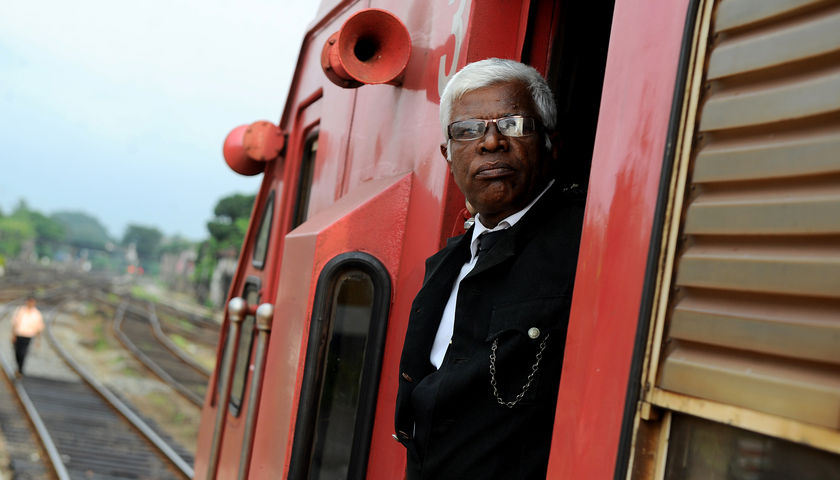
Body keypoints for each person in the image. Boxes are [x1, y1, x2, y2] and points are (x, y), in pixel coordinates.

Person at [395, 58, 584, 479]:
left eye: (514, 125)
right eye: (468, 130)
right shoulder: (446, 264)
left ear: (552, 142)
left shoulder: (586, 241)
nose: (491, 142)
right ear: (447, 154)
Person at [11, 296, 45, 377]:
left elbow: (39, 328)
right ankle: (19, 367)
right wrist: (13, 335)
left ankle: (20, 370)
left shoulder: (37, 314)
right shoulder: (20, 311)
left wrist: (38, 340)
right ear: (27, 302)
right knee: (17, 352)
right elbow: (14, 323)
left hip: (28, 336)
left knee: (23, 353)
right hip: (18, 335)